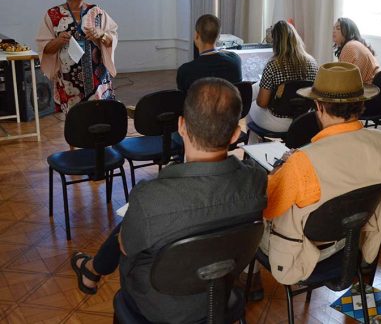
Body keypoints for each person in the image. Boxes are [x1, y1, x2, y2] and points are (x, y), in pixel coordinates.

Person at [69, 78, 267, 323]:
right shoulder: (256, 181)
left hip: (157, 308)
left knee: (132, 227)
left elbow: (125, 247)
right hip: (219, 296)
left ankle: (91, 270)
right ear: (236, 133)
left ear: (181, 126)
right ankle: (91, 269)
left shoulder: (150, 196)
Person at [254, 62, 381, 286]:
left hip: (303, 255)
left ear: (319, 106)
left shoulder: (303, 161)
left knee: (250, 219)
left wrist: (278, 171)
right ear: (361, 103)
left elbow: (269, 208)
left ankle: (251, 285)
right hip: (352, 245)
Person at [36, 0, 118, 113]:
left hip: (97, 77)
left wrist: (102, 34)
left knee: (101, 116)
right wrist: (58, 41)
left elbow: (112, 38)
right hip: (69, 80)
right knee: (76, 119)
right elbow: (45, 48)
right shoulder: (53, 15)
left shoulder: (97, 12)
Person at [247, 20, 318, 137]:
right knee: (257, 88)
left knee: (251, 104)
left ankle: (253, 145)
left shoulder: (273, 65)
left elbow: (262, 103)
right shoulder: (312, 62)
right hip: (303, 119)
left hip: (278, 121)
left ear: (276, 42)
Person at [176, 14, 242, 93]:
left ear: (197, 35)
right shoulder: (235, 61)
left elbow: (183, 98)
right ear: (218, 37)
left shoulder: (185, 71)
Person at [332, 17, 379, 84]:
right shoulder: (356, 44)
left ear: (348, 31)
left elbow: (343, 80)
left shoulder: (350, 46)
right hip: (374, 86)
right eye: (333, 28)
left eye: (338, 28)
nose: (334, 31)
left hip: (369, 88)